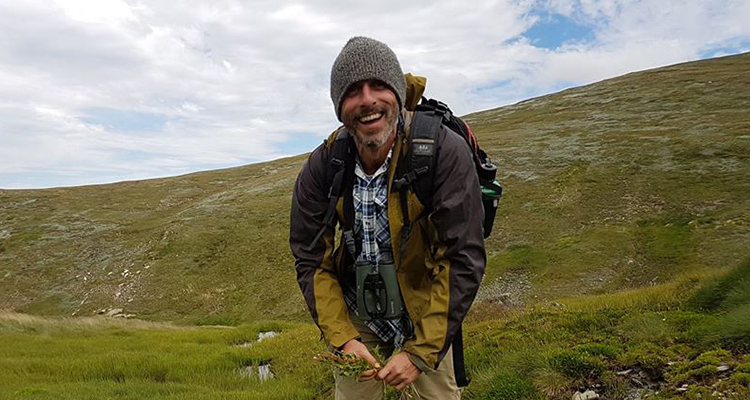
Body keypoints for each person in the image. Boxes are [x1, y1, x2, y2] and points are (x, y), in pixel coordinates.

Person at [290, 36, 486, 400]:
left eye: (379, 85)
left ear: (397, 92)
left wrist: (420, 352)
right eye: (353, 91)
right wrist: (343, 338)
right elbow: (311, 258)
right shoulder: (325, 164)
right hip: (357, 311)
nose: (367, 100)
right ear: (340, 107)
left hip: (427, 306)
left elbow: (461, 257)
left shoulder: (442, 151)